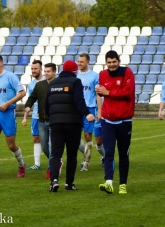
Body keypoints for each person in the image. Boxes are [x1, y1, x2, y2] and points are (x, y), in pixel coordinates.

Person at [45, 60, 94, 192]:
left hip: (56, 123)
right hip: (73, 123)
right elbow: (79, 101)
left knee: (55, 153)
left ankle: (54, 180)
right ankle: (69, 183)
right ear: (74, 71)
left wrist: (53, 118)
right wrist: (87, 113)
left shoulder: (52, 83)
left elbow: (46, 105)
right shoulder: (75, 82)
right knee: (71, 154)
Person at [96, 50, 135, 195]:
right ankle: (109, 182)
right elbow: (101, 93)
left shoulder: (127, 72)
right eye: (109, 62)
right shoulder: (102, 74)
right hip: (108, 120)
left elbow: (127, 92)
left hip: (124, 120)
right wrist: (100, 94)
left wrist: (108, 92)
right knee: (109, 152)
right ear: (106, 63)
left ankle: (123, 184)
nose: (111, 65)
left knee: (123, 153)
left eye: (114, 62)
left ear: (119, 61)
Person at [24, 63, 61, 179]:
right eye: (45, 71)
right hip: (42, 120)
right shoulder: (39, 85)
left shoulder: (59, 84)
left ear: (54, 72)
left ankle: (51, 169)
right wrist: (28, 106)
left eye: (48, 71)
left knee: (51, 145)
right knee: (44, 146)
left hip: (55, 120)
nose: (46, 73)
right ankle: (57, 161)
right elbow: (32, 97)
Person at [0, 54, 26, 179]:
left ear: (1, 63)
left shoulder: (11, 77)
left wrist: (7, 103)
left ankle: (21, 164)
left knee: (11, 145)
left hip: (8, 113)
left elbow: (22, 92)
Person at [77, 53, 105, 171]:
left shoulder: (94, 76)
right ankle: (86, 154)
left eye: (81, 62)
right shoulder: (75, 75)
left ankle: (86, 162)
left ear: (87, 62)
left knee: (88, 135)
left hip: (90, 109)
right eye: (78, 61)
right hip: (76, 109)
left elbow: (98, 94)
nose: (79, 63)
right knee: (74, 136)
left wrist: (99, 111)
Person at [22, 60, 43, 170]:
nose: (33, 71)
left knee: (48, 140)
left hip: (46, 116)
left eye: (36, 68)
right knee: (36, 138)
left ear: (41, 69)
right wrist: (25, 117)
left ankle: (56, 161)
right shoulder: (31, 85)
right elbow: (30, 101)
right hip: (35, 116)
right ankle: (37, 164)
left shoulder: (47, 81)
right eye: (32, 69)